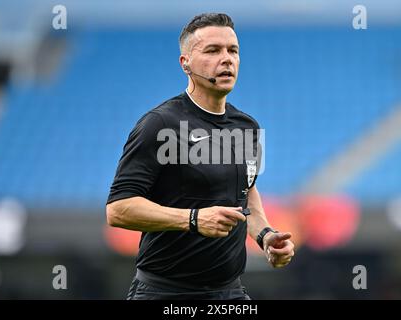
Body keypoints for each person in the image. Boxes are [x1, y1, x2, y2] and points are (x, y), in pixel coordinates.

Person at [106, 13, 295, 300]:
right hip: (164, 292)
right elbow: (118, 209)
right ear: (186, 64)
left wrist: (266, 236)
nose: (227, 59)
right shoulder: (160, 124)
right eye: (212, 50)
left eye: (233, 50)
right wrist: (193, 219)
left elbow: (246, 190)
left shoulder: (248, 127)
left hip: (229, 293)